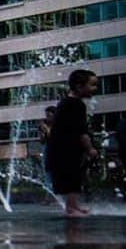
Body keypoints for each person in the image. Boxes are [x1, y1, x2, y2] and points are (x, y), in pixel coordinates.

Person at [45, 68, 100, 217]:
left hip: (61, 150)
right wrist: (90, 149)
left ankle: (74, 206)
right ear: (79, 86)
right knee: (72, 179)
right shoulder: (76, 104)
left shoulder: (67, 102)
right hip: (65, 151)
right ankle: (71, 209)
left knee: (73, 178)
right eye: (92, 85)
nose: (95, 89)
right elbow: (81, 131)